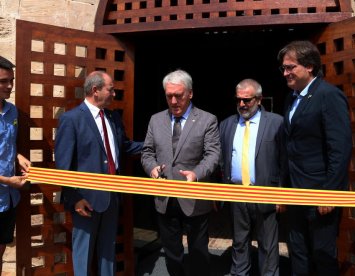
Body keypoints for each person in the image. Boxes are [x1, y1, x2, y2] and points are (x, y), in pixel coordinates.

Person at [55, 71, 143, 275]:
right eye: (110, 90)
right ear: (95, 90)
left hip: (111, 198)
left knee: (108, 252)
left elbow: (126, 147)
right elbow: (63, 166)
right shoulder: (72, 119)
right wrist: (75, 198)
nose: (114, 94)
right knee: (83, 254)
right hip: (85, 202)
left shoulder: (112, 117)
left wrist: (156, 145)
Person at [278, 40, 352, 275]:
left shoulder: (329, 95)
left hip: (321, 194)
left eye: (290, 67)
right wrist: (282, 189)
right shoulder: (291, 98)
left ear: (309, 66)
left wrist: (330, 193)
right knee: (298, 252)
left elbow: (340, 150)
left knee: (323, 256)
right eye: (284, 68)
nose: (285, 73)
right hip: (295, 193)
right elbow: (288, 148)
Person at [141, 69, 220, 276]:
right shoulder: (156, 120)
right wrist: (152, 168)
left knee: (198, 251)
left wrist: (196, 174)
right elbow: (147, 152)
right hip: (165, 197)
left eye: (179, 95)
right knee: (172, 251)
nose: (174, 101)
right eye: (169, 96)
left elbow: (212, 155)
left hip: (194, 196)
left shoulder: (207, 119)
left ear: (190, 94)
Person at [219, 78, 283, 276]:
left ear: (259, 99)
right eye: (238, 100)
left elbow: (284, 160)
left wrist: (281, 193)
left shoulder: (276, 122)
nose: (241, 105)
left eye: (247, 100)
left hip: (266, 193)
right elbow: (221, 159)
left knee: (268, 245)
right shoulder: (227, 124)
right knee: (239, 242)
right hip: (236, 193)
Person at [0, 56, 31, 272]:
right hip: (6, 188)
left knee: (1, 248)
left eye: (11, 80)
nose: (9, 85)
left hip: (8, 200)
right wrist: (6, 180)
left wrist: (18, 156)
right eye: (3, 81)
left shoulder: (12, 111)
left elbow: (6, 145)